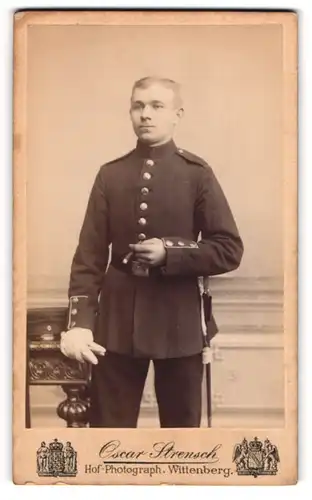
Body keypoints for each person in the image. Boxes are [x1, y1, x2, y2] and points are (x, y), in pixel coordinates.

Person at [60, 76, 244, 428]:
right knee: (108, 437)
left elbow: (228, 248)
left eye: (157, 106)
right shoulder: (110, 175)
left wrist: (170, 254)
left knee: (181, 438)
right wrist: (80, 325)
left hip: (180, 325)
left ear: (177, 114)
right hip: (114, 326)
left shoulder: (198, 174)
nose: (146, 114)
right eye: (138, 105)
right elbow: (88, 259)